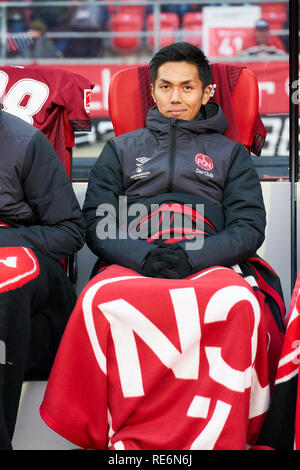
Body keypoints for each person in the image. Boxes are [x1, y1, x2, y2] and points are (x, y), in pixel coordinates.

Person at [40, 42, 285, 450]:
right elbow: (97, 222)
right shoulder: (120, 149)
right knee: (97, 301)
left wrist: (193, 258)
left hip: (211, 261)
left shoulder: (231, 154)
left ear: (207, 92)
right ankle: (113, 434)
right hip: (135, 258)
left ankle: (220, 434)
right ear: (152, 91)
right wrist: (144, 257)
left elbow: (248, 228)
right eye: (166, 87)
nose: (175, 97)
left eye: (187, 88)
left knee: (240, 304)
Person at [0, 107, 85, 450]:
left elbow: (70, 231)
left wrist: (5, 241)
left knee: (5, 272)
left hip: (32, 277)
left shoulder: (24, 141)